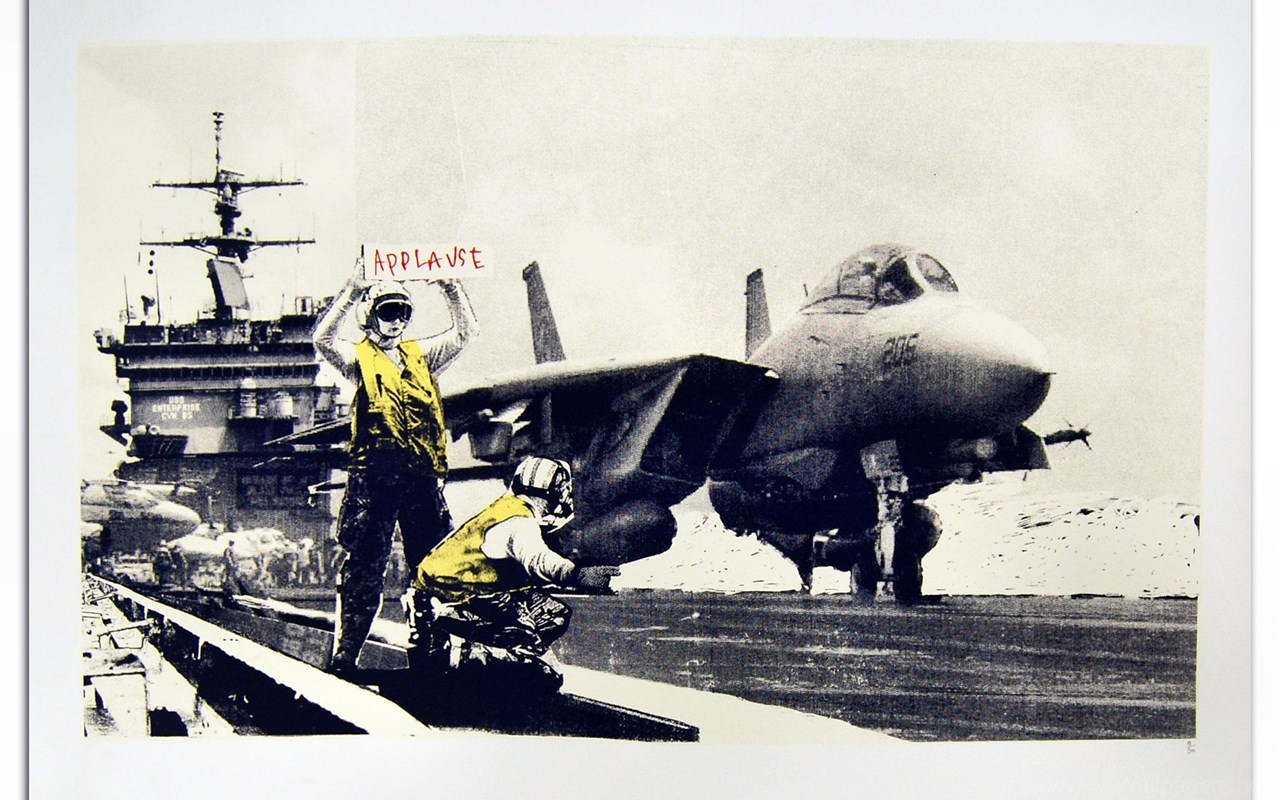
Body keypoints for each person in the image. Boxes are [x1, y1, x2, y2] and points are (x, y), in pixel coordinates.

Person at [313, 260, 479, 675]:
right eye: (388, 312)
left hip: (422, 481)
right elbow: (322, 340)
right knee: (364, 571)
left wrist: (451, 288)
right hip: (375, 483)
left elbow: (466, 333)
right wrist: (351, 292)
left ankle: (430, 656)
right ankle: (345, 655)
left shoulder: (422, 356)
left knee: (432, 569)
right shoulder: (358, 359)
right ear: (370, 316)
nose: (397, 321)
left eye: (403, 312)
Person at [404, 457, 619, 693]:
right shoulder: (519, 522)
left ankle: (460, 640)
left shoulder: (505, 509)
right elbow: (539, 560)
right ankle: (464, 652)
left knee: (555, 612)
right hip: (459, 600)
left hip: (438, 594)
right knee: (544, 675)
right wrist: (579, 575)